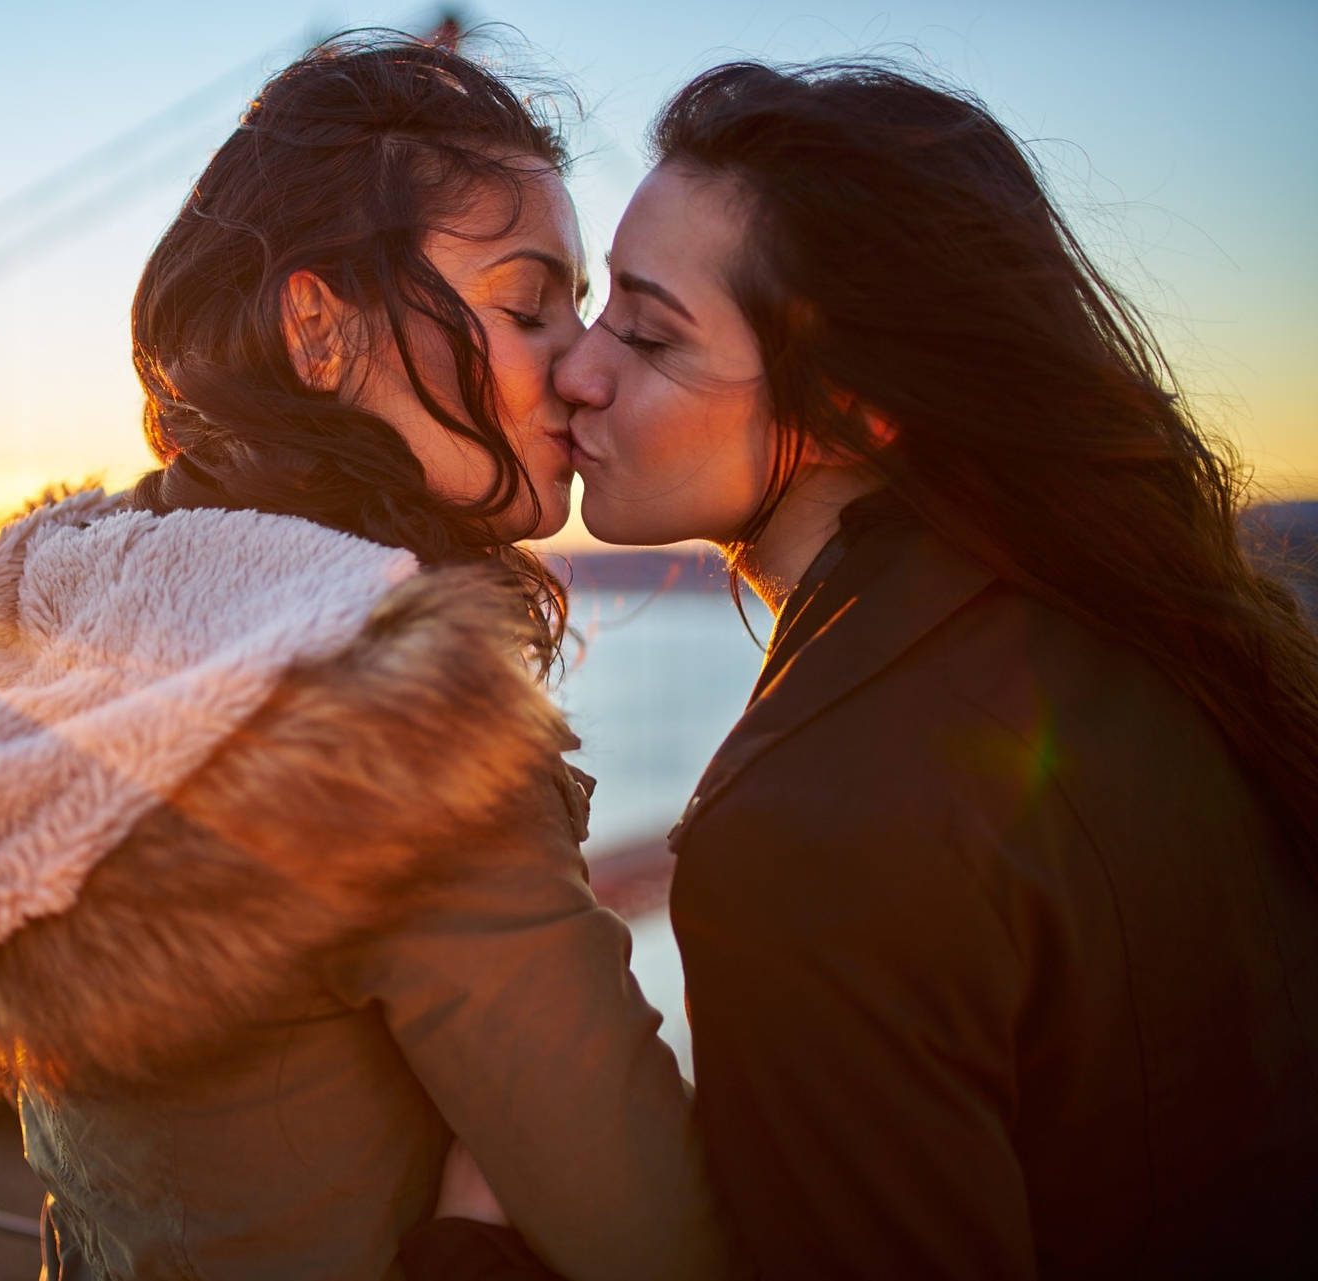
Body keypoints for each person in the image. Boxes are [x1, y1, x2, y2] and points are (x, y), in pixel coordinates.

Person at [0, 35, 739, 1281]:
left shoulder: (105, 624)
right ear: (319, 327)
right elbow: (656, 1240)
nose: (581, 364)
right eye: (526, 306)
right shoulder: (385, 726)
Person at [420, 59, 1318, 1279]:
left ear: (854, 407)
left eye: (646, 329)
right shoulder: (1155, 640)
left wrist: (475, 1253)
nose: (578, 369)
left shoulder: (813, 831)